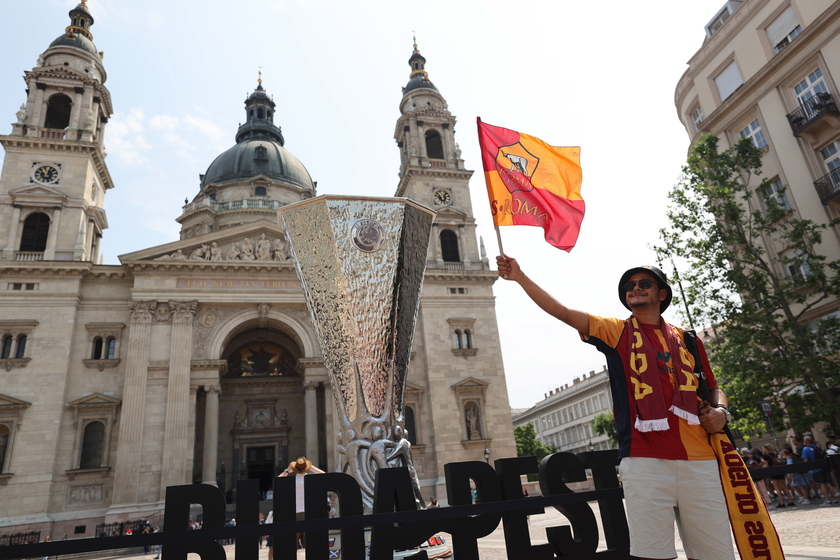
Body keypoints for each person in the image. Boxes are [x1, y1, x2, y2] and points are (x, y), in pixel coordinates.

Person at [496, 257, 733, 560]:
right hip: (646, 462)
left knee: (716, 554)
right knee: (652, 554)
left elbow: (712, 387)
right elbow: (564, 313)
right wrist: (520, 276)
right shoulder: (616, 331)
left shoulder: (688, 339)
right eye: (629, 286)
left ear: (662, 294)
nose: (634, 288)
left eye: (643, 283)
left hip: (700, 460)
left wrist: (721, 412)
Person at [273, 457, 325, 552]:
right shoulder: (311, 481)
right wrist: (312, 468)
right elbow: (325, 476)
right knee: (309, 545)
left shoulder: (291, 482)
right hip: (309, 514)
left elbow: (277, 482)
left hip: (293, 515)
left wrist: (287, 471)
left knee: (292, 547)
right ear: (307, 468)